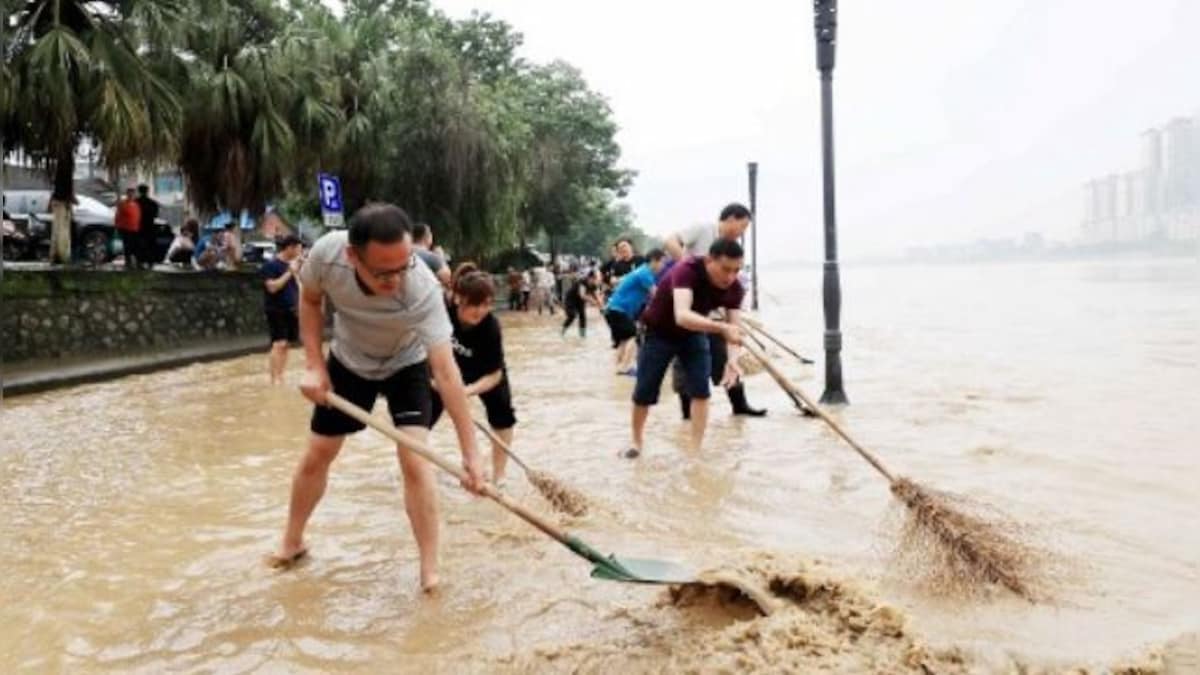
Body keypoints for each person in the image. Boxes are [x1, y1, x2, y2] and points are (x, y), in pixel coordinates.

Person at [269, 203, 485, 592]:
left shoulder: (421, 288)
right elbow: (311, 301)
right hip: (350, 361)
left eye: (403, 267)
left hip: (407, 363)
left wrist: (471, 454)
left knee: (415, 459)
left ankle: (429, 572)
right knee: (318, 452)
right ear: (353, 256)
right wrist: (315, 365)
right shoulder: (326, 254)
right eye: (383, 272)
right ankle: (292, 541)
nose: (395, 280)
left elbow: (447, 372)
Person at [624, 239, 747, 459]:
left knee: (701, 390)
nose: (730, 276)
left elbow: (735, 330)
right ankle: (636, 441)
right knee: (644, 391)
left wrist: (733, 360)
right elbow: (682, 315)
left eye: (736, 270)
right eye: (725, 269)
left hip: (694, 334)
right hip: (658, 332)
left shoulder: (735, 288)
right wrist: (720, 327)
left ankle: (695, 450)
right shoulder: (687, 269)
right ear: (710, 261)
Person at [664, 203, 765, 419]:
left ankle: (740, 407)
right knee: (685, 364)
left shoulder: (730, 248)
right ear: (730, 219)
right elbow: (670, 241)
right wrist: (688, 268)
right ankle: (687, 417)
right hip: (689, 313)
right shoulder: (703, 229)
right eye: (743, 226)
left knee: (725, 358)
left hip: (713, 313)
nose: (742, 233)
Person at [430, 263, 517, 484]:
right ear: (458, 298)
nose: (480, 311)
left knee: (503, 417)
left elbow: (495, 375)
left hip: (485, 373)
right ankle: (417, 468)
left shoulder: (491, 327)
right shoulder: (442, 313)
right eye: (474, 304)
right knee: (421, 417)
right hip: (447, 368)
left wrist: (467, 391)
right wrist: (432, 380)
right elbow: (420, 347)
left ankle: (499, 475)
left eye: (487, 304)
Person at [604, 249, 666, 375]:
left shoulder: (642, 271)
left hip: (612, 310)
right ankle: (625, 367)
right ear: (654, 261)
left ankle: (617, 368)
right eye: (662, 262)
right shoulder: (645, 273)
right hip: (618, 310)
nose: (663, 266)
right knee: (634, 336)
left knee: (623, 340)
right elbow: (657, 295)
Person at [261, 234, 304, 384]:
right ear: (290, 248)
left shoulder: (294, 265)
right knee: (279, 343)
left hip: (291, 309)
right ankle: (274, 379)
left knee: (286, 345)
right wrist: (289, 272)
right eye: (299, 249)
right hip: (275, 309)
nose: (301, 252)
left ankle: (280, 375)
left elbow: (297, 288)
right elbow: (272, 287)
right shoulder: (271, 265)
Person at [561, 268, 603, 338]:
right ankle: (562, 332)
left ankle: (582, 335)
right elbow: (582, 295)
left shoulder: (594, 285)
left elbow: (597, 297)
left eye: (597, 279)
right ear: (590, 278)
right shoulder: (582, 282)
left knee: (583, 317)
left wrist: (601, 307)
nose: (597, 280)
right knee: (572, 315)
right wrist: (593, 302)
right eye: (595, 278)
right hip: (571, 299)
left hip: (580, 301)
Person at [412, 222, 452, 291]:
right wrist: (441, 258)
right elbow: (446, 277)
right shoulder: (430, 257)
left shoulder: (404, 253)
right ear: (426, 237)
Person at [114, 187, 141, 270]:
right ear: (127, 194)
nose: (131, 195)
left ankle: (135, 262)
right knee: (127, 246)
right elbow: (117, 216)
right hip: (126, 229)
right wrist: (117, 227)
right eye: (130, 193)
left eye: (133, 193)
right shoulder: (122, 204)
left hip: (135, 229)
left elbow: (138, 216)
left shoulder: (136, 205)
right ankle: (128, 262)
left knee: (135, 246)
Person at [135, 184, 160, 269]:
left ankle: (139, 262)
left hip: (139, 227)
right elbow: (156, 215)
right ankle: (150, 262)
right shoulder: (153, 203)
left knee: (139, 245)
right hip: (150, 226)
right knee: (150, 245)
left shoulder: (135, 203)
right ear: (147, 191)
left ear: (139, 191)